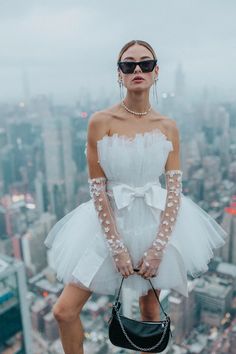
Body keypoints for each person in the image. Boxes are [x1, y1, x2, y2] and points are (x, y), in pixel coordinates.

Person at [44, 39, 228, 354]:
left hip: (155, 224)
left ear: (156, 72)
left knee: (150, 314)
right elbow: (97, 188)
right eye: (129, 65)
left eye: (145, 63)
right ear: (120, 75)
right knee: (64, 310)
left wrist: (158, 248)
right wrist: (115, 245)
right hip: (106, 226)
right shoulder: (100, 121)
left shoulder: (168, 126)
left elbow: (174, 189)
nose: (137, 69)